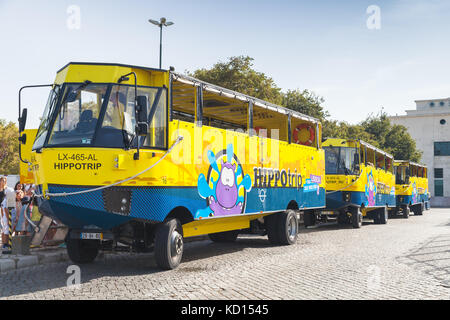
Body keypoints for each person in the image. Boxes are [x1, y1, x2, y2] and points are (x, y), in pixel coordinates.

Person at [0, 176, 11, 251]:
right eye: (2, 180)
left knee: (6, 227)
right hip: (1, 209)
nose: (3, 182)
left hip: (4, 208)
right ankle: (4, 243)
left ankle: (5, 243)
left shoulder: (6, 189)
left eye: (4, 181)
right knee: (3, 228)